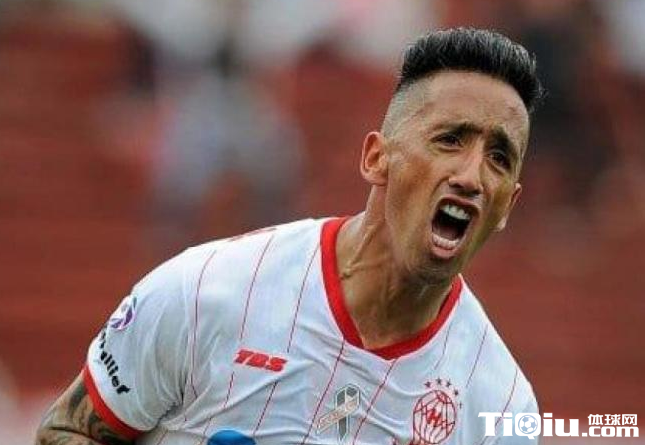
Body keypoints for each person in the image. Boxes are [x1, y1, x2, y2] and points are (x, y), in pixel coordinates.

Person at [36, 28, 545, 445]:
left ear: (508, 206)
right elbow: (67, 431)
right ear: (376, 159)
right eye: (450, 139)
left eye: (499, 158)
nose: (472, 176)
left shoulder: (502, 409)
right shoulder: (207, 290)